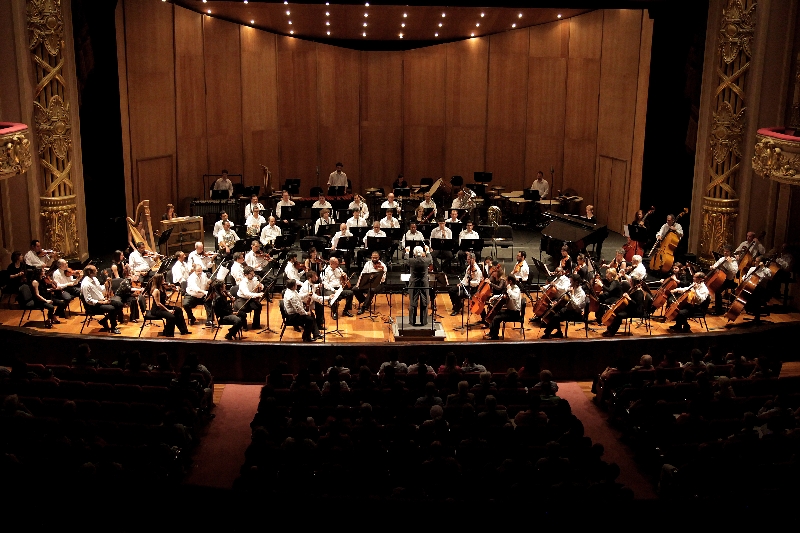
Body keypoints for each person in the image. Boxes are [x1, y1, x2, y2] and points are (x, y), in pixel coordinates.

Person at [542, 273, 586, 339]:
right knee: (554, 312)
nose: (570, 284)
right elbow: (564, 297)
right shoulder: (571, 288)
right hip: (569, 309)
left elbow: (576, 307)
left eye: (571, 282)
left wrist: (572, 294)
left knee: (556, 316)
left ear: (576, 282)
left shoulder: (581, 293)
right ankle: (558, 332)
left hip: (576, 313)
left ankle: (547, 334)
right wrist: (557, 302)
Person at [81, 265, 121, 333]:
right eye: (95, 270)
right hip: (93, 306)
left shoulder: (95, 279)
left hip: (101, 300)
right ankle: (113, 327)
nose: (97, 271)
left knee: (119, 304)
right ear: (90, 273)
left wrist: (107, 284)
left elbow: (100, 289)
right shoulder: (86, 284)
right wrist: (102, 302)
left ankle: (103, 320)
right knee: (112, 309)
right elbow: (88, 300)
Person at [487, 274, 522, 340]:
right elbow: (504, 296)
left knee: (496, 318)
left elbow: (514, 297)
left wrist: (509, 290)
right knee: (495, 313)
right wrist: (494, 297)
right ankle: (492, 333)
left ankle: (495, 337)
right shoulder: (510, 288)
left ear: (510, 281)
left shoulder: (516, 289)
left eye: (506, 280)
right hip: (510, 311)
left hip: (514, 313)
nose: (505, 282)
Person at [407, 245, 433, 326]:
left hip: (414, 284)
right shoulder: (426, 260)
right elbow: (431, 259)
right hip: (424, 283)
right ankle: (424, 321)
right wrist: (428, 251)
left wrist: (407, 252)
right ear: (422, 253)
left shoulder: (411, 261)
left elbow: (406, 260)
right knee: (424, 302)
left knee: (412, 303)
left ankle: (412, 321)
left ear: (414, 253)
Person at [710, 244, 739, 315]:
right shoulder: (722, 259)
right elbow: (716, 265)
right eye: (724, 251)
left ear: (730, 252)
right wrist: (713, 267)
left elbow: (734, 271)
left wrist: (730, 263)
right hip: (722, 279)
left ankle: (718, 310)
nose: (725, 253)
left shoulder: (733, 261)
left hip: (729, 280)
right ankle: (718, 307)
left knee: (718, 291)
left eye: (727, 251)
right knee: (715, 289)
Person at [234, 266, 264, 330]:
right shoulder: (243, 283)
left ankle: (256, 324)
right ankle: (243, 326)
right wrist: (258, 294)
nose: (253, 275)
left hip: (250, 298)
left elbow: (260, 285)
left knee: (258, 306)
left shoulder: (254, 279)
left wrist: (261, 286)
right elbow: (247, 294)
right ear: (246, 275)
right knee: (242, 309)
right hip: (241, 299)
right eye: (251, 274)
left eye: (253, 273)